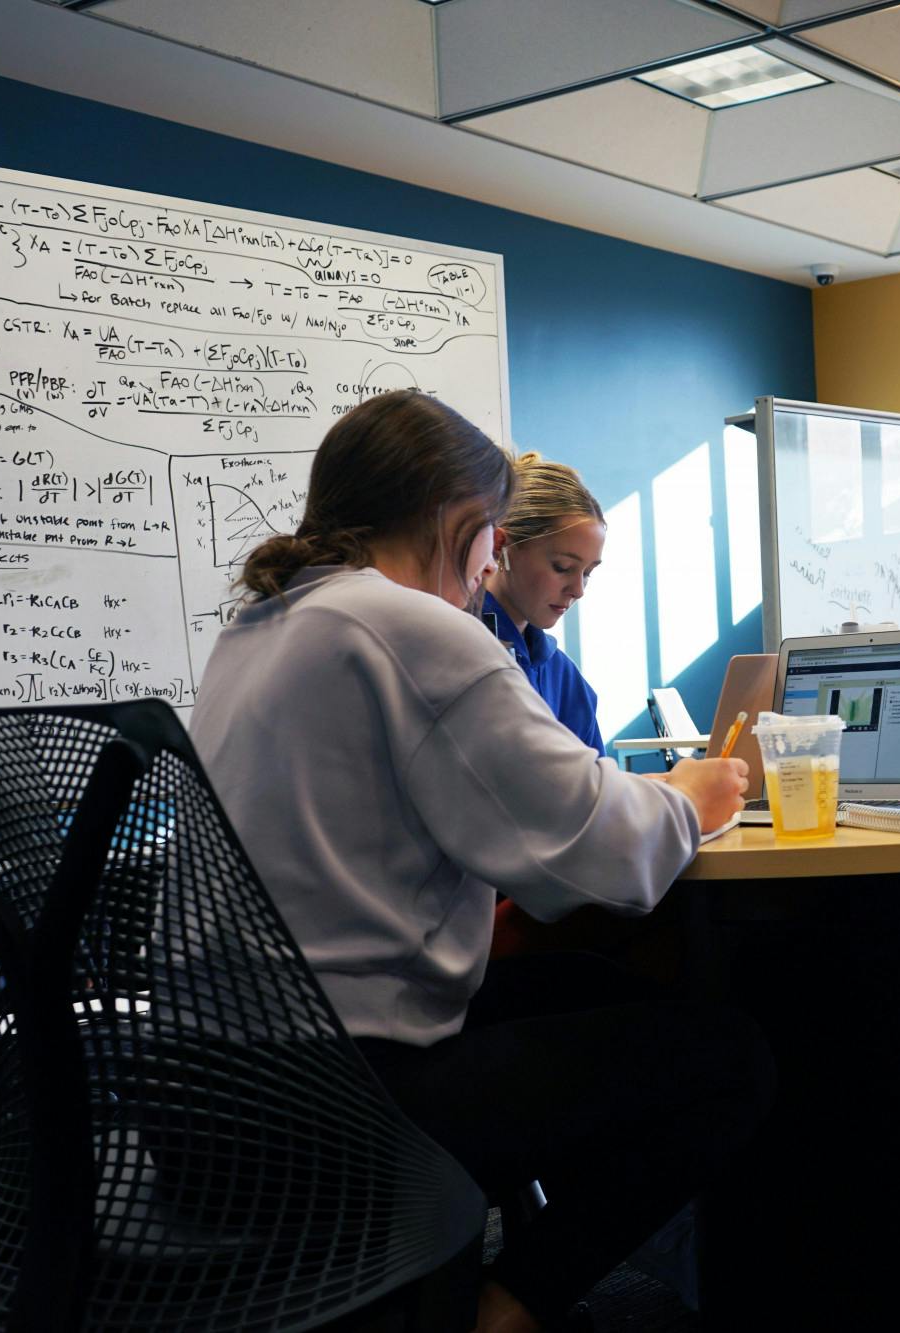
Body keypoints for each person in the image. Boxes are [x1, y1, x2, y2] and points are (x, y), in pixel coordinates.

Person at [190, 390, 771, 1333]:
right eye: (492, 536)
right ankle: (503, 1307)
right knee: (728, 1059)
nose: (492, 562)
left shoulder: (261, 625)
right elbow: (597, 855)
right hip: (344, 1091)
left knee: (582, 984)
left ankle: (437, 1261)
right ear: (463, 523)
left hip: (220, 1082)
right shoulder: (408, 626)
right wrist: (693, 801)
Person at [482, 451, 607, 753]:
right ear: (501, 546)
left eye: (588, 573)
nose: (578, 590)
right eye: (562, 567)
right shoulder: (457, 648)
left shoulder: (563, 676)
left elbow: (597, 791)